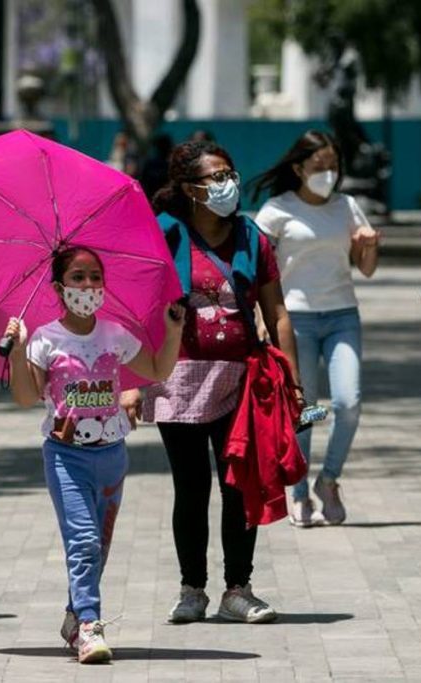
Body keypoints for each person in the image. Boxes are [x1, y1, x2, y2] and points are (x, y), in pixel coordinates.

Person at [122, 140, 302, 626]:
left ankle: (238, 589)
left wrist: (294, 382)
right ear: (187, 188)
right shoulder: (163, 235)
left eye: (230, 174)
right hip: (176, 377)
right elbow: (137, 312)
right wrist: (132, 381)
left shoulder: (252, 237)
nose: (227, 185)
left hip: (241, 378)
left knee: (240, 486)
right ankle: (192, 590)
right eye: (214, 178)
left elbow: (277, 312)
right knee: (191, 486)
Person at [4, 247, 184, 664]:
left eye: (95, 277)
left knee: (97, 546)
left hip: (113, 456)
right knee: (82, 541)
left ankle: (73, 614)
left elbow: (156, 370)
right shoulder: (45, 339)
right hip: (66, 457)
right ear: (58, 287)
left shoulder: (115, 335)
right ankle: (90, 625)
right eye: (78, 277)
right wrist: (18, 351)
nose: (88, 286)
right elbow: (26, 396)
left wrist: (172, 332)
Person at [253, 130, 380, 527]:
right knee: (304, 410)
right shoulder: (277, 210)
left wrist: (369, 244)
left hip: (343, 315)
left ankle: (329, 480)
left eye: (333, 166)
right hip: (297, 320)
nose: (327, 173)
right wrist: (261, 321)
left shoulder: (347, 207)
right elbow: (257, 269)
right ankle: (299, 490)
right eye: (318, 166)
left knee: (348, 402)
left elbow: (368, 268)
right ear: (298, 168)